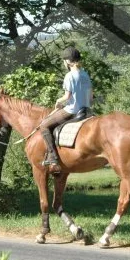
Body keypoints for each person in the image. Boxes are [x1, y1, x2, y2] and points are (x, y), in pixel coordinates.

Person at [39, 46, 93, 174]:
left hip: (72, 111)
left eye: (64, 60)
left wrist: (59, 101)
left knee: (44, 125)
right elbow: (90, 98)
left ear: (68, 61)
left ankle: (52, 158)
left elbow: (67, 96)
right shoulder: (85, 74)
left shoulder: (69, 76)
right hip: (85, 110)